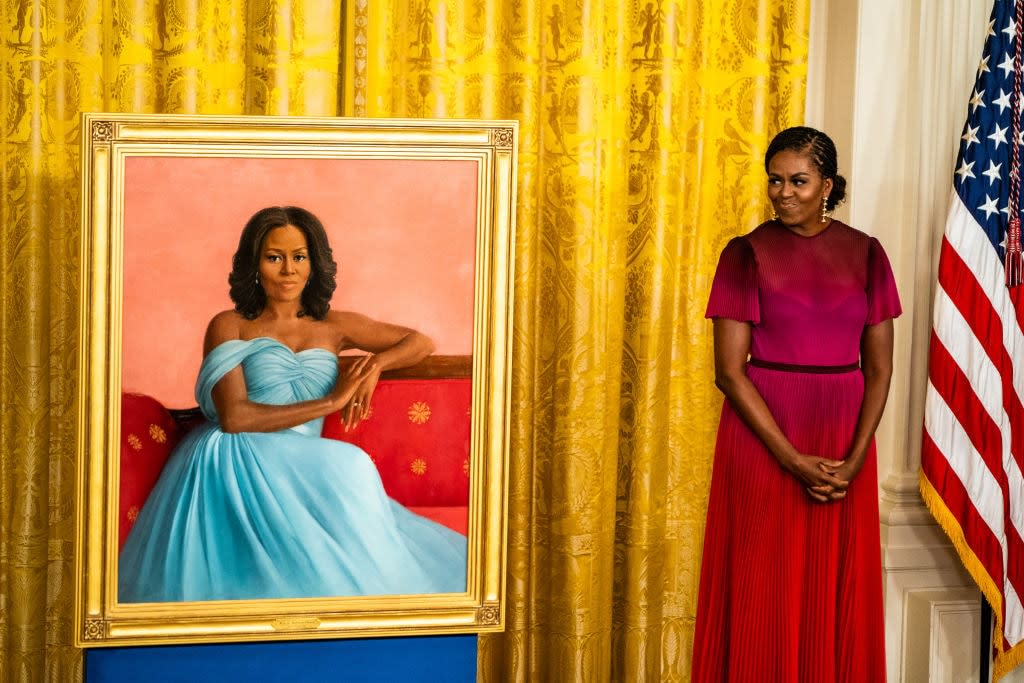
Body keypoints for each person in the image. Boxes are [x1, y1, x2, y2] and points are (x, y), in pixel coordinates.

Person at [118, 206, 467, 602]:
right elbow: (235, 417)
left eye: (299, 257)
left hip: (301, 454)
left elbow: (420, 342)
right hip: (236, 453)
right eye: (274, 257)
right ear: (254, 264)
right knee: (348, 464)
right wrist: (331, 401)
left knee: (347, 469)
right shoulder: (230, 324)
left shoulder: (334, 325)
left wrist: (377, 364)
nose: (288, 270)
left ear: (314, 264)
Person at [691, 127, 901, 680]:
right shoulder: (744, 254)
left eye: (798, 181)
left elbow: (880, 371)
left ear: (827, 185)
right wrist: (789, 458)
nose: (783, 192)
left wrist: (855, 459)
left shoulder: (868, 255)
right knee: (764, 581)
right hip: (763, 437)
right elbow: (730, 374)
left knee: (837, 582)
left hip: (843, 436)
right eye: (776, 181)